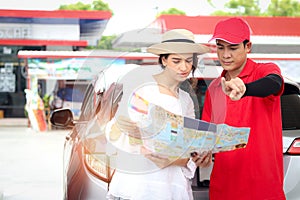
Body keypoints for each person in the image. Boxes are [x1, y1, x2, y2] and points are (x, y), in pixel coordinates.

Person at [105, 29, 212, 200]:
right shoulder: (142, 88)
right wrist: (135, 134)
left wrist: (190, 158)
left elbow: (191, 146)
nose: (183, 67)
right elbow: (114, 132)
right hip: (138, 188)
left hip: (172, 188)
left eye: (188, 61)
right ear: (164, 59)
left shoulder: (186, 100)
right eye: (176, 61)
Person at [202, 17, 286, 200]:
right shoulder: (214, 89)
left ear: (248, 47)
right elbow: (208, 137)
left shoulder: (263, 71)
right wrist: (201, 152)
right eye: (220, 47)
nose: (225, 55)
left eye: (232, 48)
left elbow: (275, 82)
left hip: (263, 190)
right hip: (223, 190)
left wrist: (246, 89)